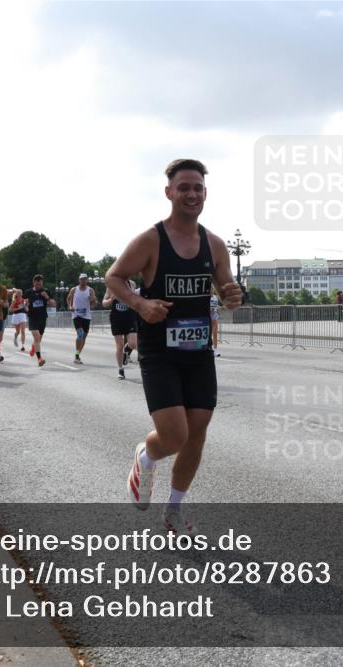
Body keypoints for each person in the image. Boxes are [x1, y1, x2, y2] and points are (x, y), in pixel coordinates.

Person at [106, 158, 243, 534]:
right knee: (175, 436)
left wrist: (233, 297)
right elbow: (114, 276)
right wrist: (140, 303)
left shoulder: (214, 244)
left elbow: (227, 291)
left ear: (205, 193)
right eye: (183, 187)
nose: (191, 193)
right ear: (169, 192)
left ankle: (174, 510)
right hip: (159, 352)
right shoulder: (152, 240)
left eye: (197, 187)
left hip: (198, 353)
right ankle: (146, 456)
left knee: (196, 433)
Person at [104, 277, 139, 380]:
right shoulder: (112, 284)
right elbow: (104, 303)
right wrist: (111, 299)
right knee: (119, 345)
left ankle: (126, 351)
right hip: (116, 318)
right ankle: (120, 369)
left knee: (133, 343)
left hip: (129, 316)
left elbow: (135, 299)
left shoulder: (132, 284)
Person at [67, 272, 99, 364]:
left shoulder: (90, 290)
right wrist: (70, 306)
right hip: (76, 315)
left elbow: (95, 303)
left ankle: (77, 354)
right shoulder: (74, 289)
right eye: (82, 279)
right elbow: (68, 298)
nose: (83, 281)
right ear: (79, 280)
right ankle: (77, 356)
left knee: (84, 337)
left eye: (85, 279)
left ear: (87, 280)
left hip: (86, 316)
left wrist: (92, 300)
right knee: (80, 334)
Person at [24, 274, 52, 367]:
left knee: (39, 338)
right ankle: (39, 358)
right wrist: (26, 305)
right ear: (33, 283)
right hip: (32, 317)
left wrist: (47, 297)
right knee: (36, 337)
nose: (38, 285)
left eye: (40, 284)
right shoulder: (28, 292)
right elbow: (24, 304)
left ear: (42, 283)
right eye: (36, 284)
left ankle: (33, 347)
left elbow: (53, 303)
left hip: (42, 317)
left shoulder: (46, 291)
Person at [10, 287, 28, 351]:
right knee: (18, 332)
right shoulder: (14, 300)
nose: (20, 294)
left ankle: (23, 346)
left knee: (23, 331)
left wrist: (25, 305)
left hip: (22, 315)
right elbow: (10, 309)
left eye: (21, 293)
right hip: (15, 315)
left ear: (22, 294)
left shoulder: (24, 300)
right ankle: (15, 338)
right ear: (17, 294)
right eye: (18, 293)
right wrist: (18, 308)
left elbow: (27, 310)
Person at [209, 292, 221, 356]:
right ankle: (209, 349)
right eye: (210, 288)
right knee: (209, 334)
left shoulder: (215, 297)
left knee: (215, 333)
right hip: (208, 315)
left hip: (214, 314)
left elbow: (217, 305)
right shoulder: (206, 296)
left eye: (212, 288)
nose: (212, 290)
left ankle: (215, 350)